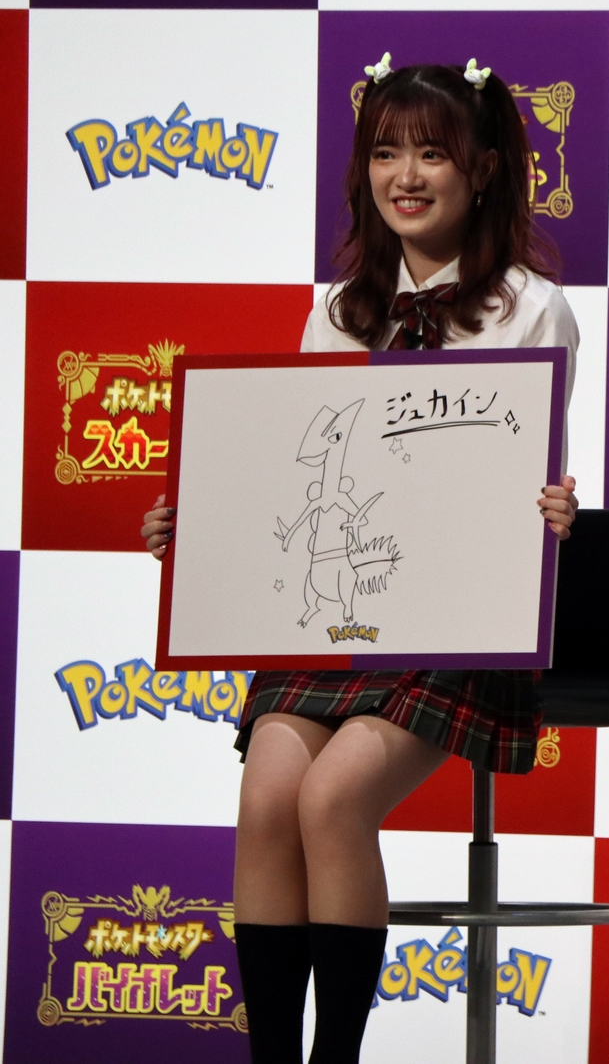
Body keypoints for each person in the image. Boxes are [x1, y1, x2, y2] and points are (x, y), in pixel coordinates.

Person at [140, 56, 580, 1064]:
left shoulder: (532, 306)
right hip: (332, 612)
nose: (406, 176)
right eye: (386, 152)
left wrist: (557, 513)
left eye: (432, 152)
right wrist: (198, 525)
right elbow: (295, 474)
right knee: (267, 794)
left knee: (333, 795)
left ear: (483, 170)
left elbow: (524, 478)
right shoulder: (339, 310)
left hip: (457, 623)